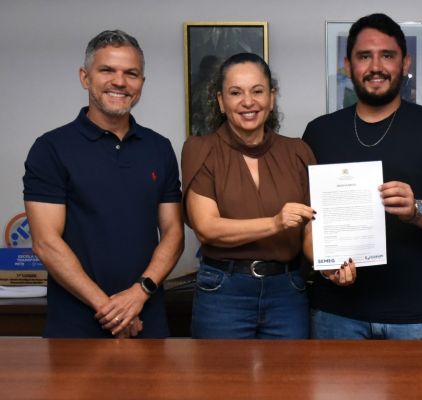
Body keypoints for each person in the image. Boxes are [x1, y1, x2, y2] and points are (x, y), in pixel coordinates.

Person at [302, 13, 422, 340]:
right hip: (336, 313)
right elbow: (307, 221)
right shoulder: (319, 132)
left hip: (419, 317)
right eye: (364, 56)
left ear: (405, 62)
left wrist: (416, 209)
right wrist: (325, 265)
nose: (376, 66)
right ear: (348, 65)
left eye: (387, 55)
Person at [23, 30, 184, 338]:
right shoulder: (51, 148)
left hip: (146, 318)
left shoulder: (159, 148)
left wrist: (139, 293)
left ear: (142, 83)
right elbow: (46, 242)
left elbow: (174, 233)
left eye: (131, 73)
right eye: (107, 70)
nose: (120, 82)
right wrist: (113, 311)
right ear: (85, 77)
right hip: (76, 325)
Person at [181, 53, 353, 339]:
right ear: (221, 101)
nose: (248, 102)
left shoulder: (298, 152)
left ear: (271, 98)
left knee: (288, 370)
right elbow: (207, 228)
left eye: (257, 91)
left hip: (287, 292)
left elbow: (310, 229)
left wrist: (329, 267)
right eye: (236, 92)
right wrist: (275, 223)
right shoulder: (200, 150)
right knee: (219, 370)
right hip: (223, 293)